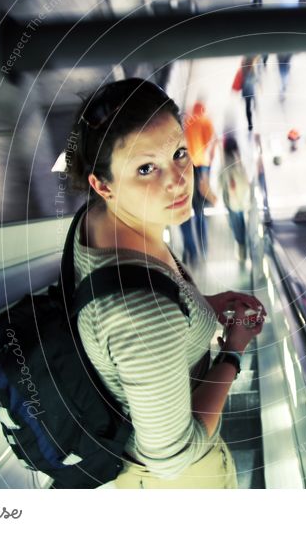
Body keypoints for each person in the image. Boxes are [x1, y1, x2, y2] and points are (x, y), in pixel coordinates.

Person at [65, 78, 267, 488]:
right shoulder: (141, 313)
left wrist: (199, 305)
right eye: (145, 168)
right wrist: (232, 352)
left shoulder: (100, 220)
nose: (177, 180)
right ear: (102, 185)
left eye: (178, 154)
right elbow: (173, 458)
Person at [179, 100, 217, 265]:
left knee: (185, 212)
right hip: (202, 166)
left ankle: (191, 251)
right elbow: (211, 145)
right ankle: (204, 246)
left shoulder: (186, 124)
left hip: (185, 167)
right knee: (199, 210)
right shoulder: (206, 122)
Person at [218, 136, 251, 261]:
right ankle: (245, 248)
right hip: (241, 197)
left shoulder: (227, 161)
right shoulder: (239, 159)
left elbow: (226, 180)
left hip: (233, 199)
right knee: (240, 221)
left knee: (236, 224)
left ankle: (242, 250)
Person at [240, 55, 260, 131]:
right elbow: (255, 79)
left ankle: (250, 124)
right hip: (250, 90)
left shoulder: (243, 64)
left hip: (246, 90)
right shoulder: (253, 66)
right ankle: (251, 121)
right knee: (252, 104)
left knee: (248, 107)